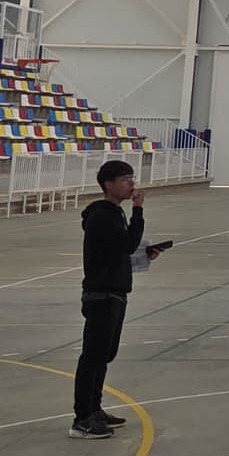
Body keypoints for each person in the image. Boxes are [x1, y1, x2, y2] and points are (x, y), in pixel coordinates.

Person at [71, 160, 162, 439]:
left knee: (104, 355)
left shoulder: (113, 214)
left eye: (132, 178)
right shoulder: (102, 216)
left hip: (115, 291)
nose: (131, 184)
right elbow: (126, 244)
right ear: (108, 184)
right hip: (102, 294)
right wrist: (138, 211)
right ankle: (82, 418)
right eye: (124, 179)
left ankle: (94, 408)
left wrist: (143, 255)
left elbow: (117, 251)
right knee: (93, 356)